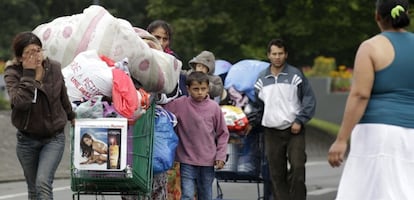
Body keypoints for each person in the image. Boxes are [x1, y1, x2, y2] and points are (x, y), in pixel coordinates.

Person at [328, 1, 414, 199]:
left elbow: (360, 95)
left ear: (377, 16)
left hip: (378, 135)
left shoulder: (371, 47)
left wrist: (341, 140)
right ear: (406, 14)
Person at [4, 31, 76, 199]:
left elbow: (62, 96)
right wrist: (29, 75)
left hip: (53, 137)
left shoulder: (54, 68)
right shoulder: (13, 73)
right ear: (20, 58)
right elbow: (20, 103)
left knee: (43, 183)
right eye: (29, 53)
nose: (36, 56)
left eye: (38, 50)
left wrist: (72, 116)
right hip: (26, 140)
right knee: (33, 191)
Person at [252, 38, 316, 200]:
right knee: (276, 174)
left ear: (286, 55)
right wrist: (252, 123)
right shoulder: (261, 79)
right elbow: (258, 106)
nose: (277, 57)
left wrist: (300, 120)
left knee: (298, 168)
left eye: (280, 53)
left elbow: (309, 99)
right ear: (268, 55)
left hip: (294, 129)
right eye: (274, 54)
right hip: (271, 131)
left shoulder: (296, 75)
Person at [163, 71, 229, 200]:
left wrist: (221, 155)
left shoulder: (214, 108)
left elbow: (222, 133)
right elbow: (163, 112)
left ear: (208, 88)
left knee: (205, 195)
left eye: (203, 89)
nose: (200, 92)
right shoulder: (179, 104)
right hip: (187, 159)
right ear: (188, 89)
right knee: (187, 194)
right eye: (195, 89)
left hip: (208, 160)